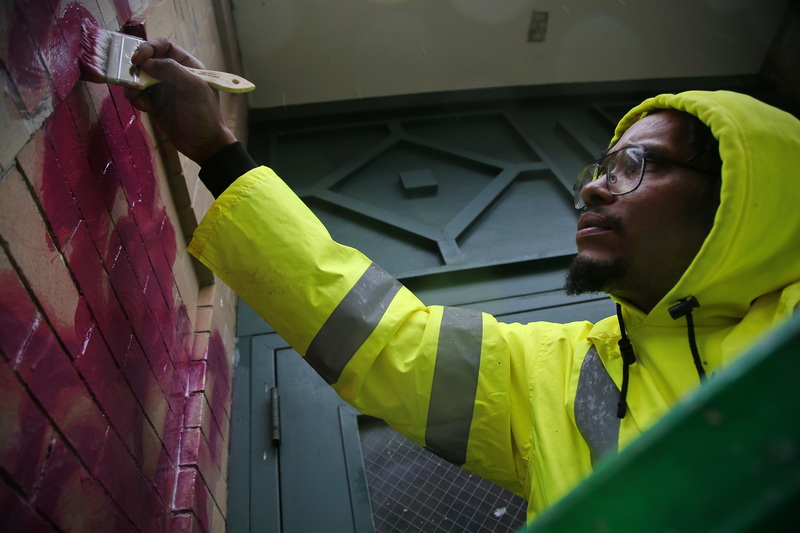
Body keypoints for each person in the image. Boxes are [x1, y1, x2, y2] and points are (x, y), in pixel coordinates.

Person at [126, 39, 800, 521]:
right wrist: (218, 152)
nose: (593, 188)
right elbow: (388, 339)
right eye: (596, 168)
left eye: (630, 166)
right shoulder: (567, 372)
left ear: (742, 194)